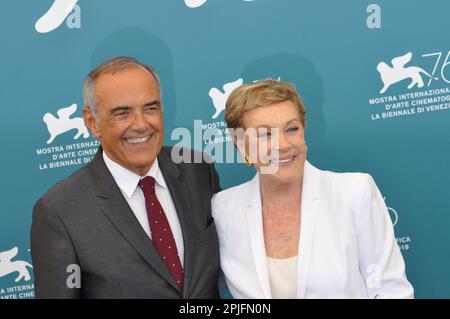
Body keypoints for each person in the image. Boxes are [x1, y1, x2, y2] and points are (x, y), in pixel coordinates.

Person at [31, 57, 221, 298]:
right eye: (122, 113)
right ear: (92, 122)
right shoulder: (59, 211)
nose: (141, 125)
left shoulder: (197, 169)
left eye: (151, 108)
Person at [212, 79, 414, 298]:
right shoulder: (223, 209)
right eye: (265, 134)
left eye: (291, 129)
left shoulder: (354, 192)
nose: (283, 145)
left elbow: (391, 290)